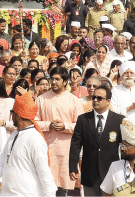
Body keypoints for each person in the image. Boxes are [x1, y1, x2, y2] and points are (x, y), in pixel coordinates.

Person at [0, 92, 57, 197]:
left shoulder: (35, 139)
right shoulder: (14, 135)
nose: (11, 116)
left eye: (12, 112)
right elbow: (1, 163)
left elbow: (45, 174)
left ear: (18, 115)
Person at [35, 67, 84, 196]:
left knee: (62, 187)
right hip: (45, 147)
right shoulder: (41, 99)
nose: (54, 82)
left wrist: (65, 126)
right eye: (52, 79)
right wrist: (48, 124)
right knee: (44, 183)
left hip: (66, 149)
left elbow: (80, 126)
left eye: (58, 79)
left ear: (65, 81)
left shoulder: (74, 101)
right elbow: (33, 123)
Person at [69, 85, 125, 196]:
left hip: (111, 172)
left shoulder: (119, 120)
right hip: (89, 173)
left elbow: (124, 146)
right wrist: (72, 167)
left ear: (108, 101)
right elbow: (75, 144)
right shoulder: (83, 119)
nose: (95, 100)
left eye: (99, 98)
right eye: (94, 97)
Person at [100, 119, 135, 196]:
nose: (122, 148)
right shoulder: (115, 166)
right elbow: (106, 194)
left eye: (126, 146)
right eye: (122, 145)